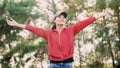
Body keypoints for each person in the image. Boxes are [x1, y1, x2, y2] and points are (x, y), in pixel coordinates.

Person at [6, 9, 108, 68]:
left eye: (64, 17)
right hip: (54, 65)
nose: (62, 18)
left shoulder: (71, 30)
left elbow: (85, 22)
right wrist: (16, 24)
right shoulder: (48, 33)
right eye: (59, 17)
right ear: (54, 20)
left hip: (68, 64)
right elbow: (33, 29)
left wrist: (99, 16)